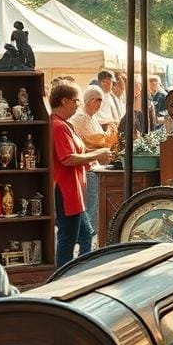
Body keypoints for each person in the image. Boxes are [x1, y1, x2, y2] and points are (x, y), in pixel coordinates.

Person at [50, 82, 114, 268]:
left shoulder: (64, 124)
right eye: (76, 101)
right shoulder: (58, 126)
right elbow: (67, 158)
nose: (78, 105)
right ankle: (63, 278)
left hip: (73, 190)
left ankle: (80, 273)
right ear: (65, 101)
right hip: (66, 189)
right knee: (68, 237)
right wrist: (98, 154)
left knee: (85, 235)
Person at [69, 85, 115, 253]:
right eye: (98, 100)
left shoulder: (91, 118)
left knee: (94, 208)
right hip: (88, 168)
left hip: (95, 167)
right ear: (89, 100)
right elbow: (88, 143)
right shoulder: (80, 118)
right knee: (90, 208)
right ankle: (86, 243)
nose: (100, 104)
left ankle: (88, 242)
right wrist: (102, 144)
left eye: (102, 100)